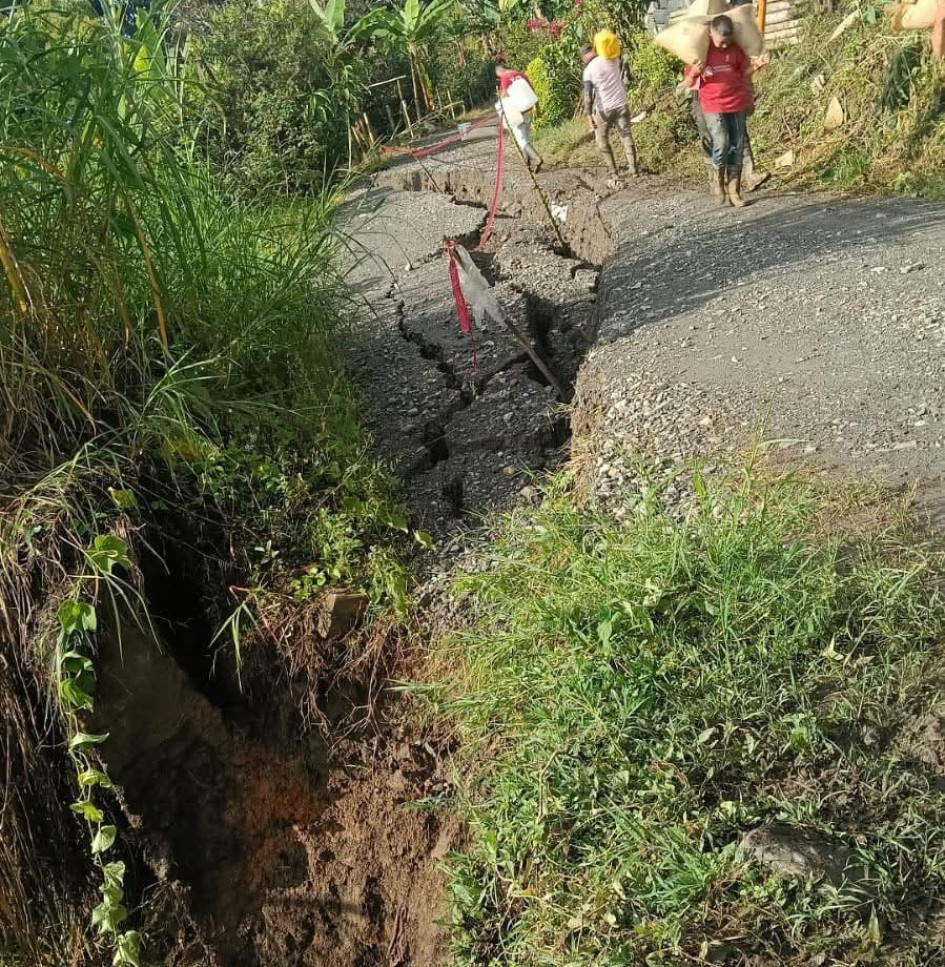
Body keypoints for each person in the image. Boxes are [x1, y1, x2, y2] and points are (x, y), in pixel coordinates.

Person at [686, 14, 754, 207]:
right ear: (711, 34)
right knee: (722, 141)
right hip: (713, 105)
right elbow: (689, 82)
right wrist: (693, 72)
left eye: (728, 42)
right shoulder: (701, 53)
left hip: (737, 102)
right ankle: (718, 181)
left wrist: (757, 66)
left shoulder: (736, 51)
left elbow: (745, 73)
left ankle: (735, 191)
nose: (725, 46)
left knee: (737, 145)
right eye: (721, 42)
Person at [688, 49, 770, 194]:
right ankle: (715, 178)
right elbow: (690, 74)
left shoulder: (728, 45)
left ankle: (750, 175)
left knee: (739, 133)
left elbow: (740, 69)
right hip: (704, 94)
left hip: (729, 92)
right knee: (709, 136)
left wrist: (757, 64)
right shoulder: (697, 45)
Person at [580, 39, 639, 182]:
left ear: (584, 57)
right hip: (621, 104)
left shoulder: (588, 71)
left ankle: (614, 173)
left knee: (601, 139)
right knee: (626, 136)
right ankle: (634, 170)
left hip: (605, 110)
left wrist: (589, 116)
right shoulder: (612, 59)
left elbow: (588, 97)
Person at [494, 58, 543, 171]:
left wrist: (500, 107)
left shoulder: (505, 77)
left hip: (518, 112)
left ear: (499, 71)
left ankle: (537, 158)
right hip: (528, 108)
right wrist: (538, 109)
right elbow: (532, 90)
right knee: (526, 138)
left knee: (521, 139)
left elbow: (504, 95)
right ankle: (527, 164)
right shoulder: (520, 74)